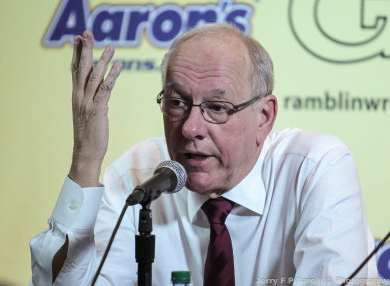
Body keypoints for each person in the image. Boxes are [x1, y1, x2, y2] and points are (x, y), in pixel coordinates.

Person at [30, 23, 378, 286]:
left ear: (264, 117)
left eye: (217, 107)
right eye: (177, 103)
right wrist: (86, 158)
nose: (190, 128)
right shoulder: (139, 178)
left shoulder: (314, 168)